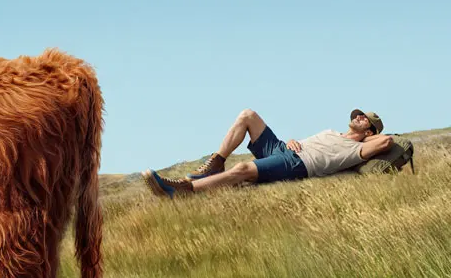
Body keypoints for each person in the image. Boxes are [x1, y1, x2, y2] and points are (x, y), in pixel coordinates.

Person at [144, 108, 392, 198]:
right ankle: (216, 163)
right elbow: (310, 143)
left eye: (365, 119)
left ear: (370, 132)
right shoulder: (332, 132)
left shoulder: (359, 147)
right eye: (359, 115)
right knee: (248, 115)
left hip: (298, 164)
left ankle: (183, 191)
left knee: (242, 170)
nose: (358, 117)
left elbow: (387, 142)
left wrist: (376, 134)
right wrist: (296, 140)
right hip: (285, 149)